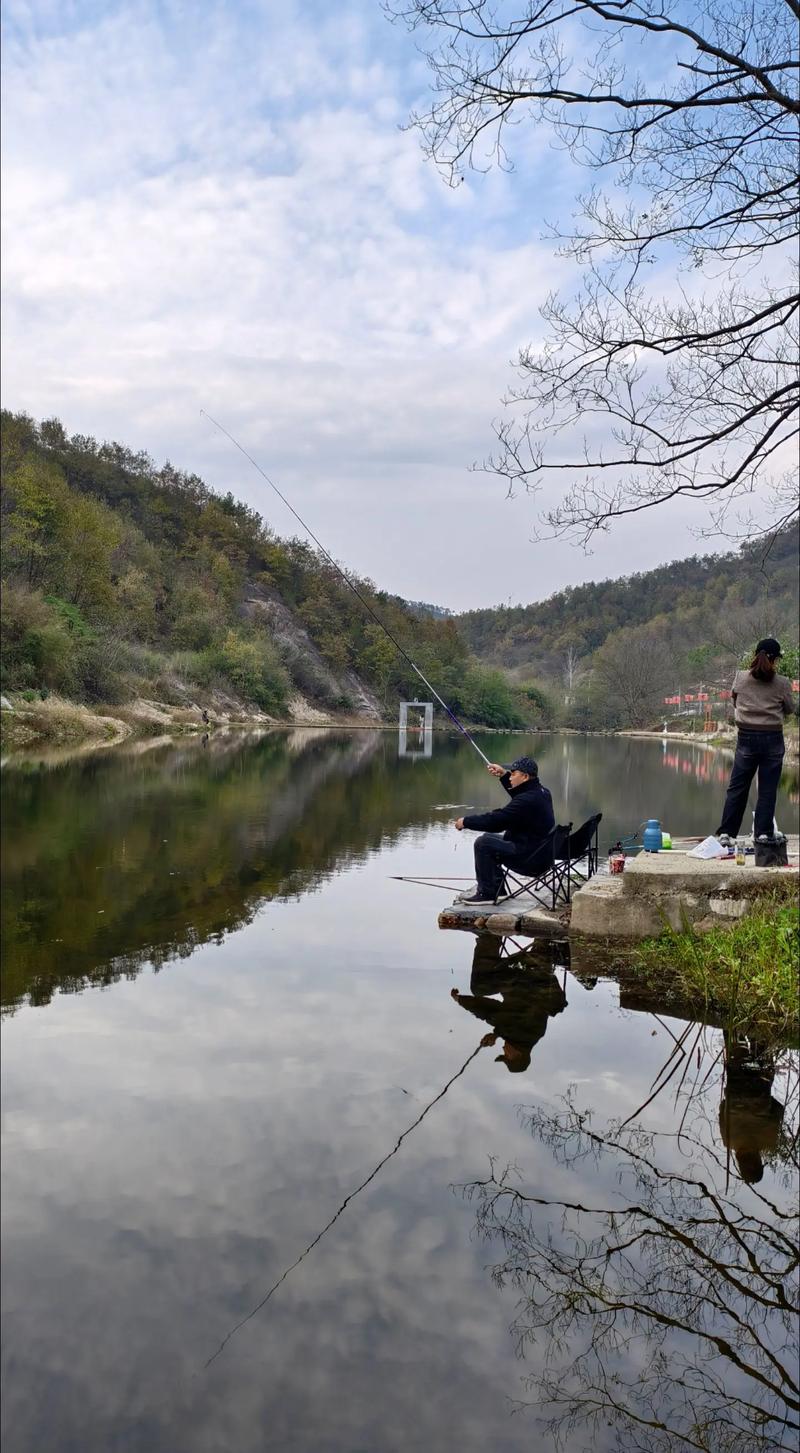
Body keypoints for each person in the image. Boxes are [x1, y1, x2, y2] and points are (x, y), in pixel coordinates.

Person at [715, 637, 796, 845]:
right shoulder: (782, 683)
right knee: (767, 789)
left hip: (746, 738)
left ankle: (727, 834)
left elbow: (735, 700)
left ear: (755, 656)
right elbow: (789, 709)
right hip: (772, 739)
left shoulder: (740, 678)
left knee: (738, 787)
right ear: (775, 660)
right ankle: (763, 833)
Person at [451, 933, 567, 1073]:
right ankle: (489, 936)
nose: (503, 1049)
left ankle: (540, 945)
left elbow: (500, 1018)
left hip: (535, 974)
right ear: (517, 1054)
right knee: (479, 986)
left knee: (488, 984)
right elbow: (488, 1011)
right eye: (506, 1054)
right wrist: (460, 1000)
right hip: (526, 977)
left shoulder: (527, 1035)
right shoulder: (522, 1034)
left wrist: (497, 1034)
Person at [454, 755, 555, 904]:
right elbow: (521, 796)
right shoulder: (542, 792)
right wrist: (502, 774)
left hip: (529, 859)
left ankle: (488, 894)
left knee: (483, 843)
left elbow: (496, 822)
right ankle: (498, 891)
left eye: (513, 774)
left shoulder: (527, 800)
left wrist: (466, 822)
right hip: (539, 852)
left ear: (525, 776)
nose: (510, 777)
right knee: (489, 838)